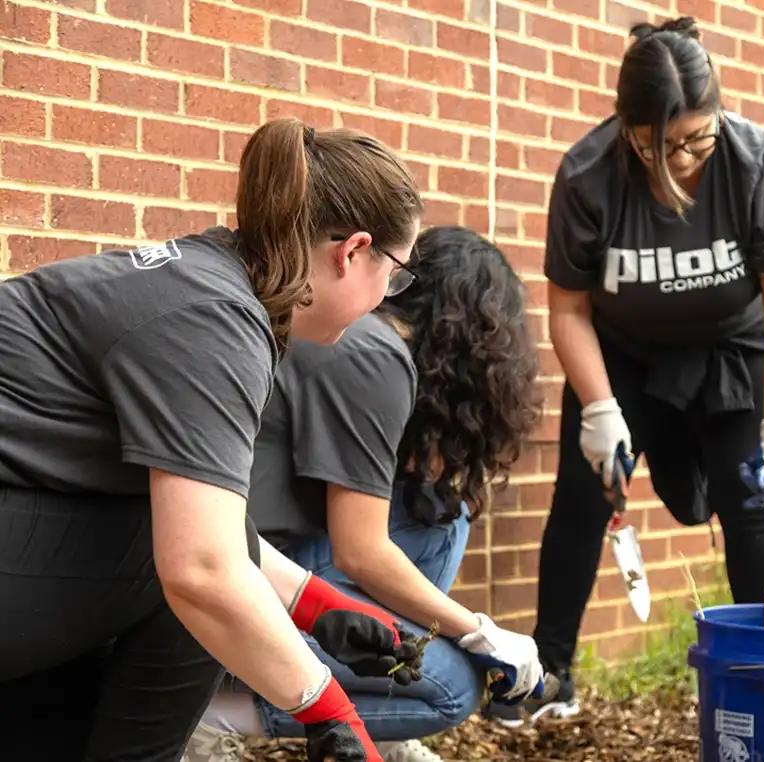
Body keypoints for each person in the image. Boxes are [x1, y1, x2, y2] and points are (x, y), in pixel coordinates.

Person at [0, 119, 427, 761]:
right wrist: (328, 710)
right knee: (201, 586)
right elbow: (203, 568)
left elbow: (199, 528)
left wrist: (314, 605)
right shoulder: (217, 322)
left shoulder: (210, 281)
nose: (388, 294)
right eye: (394, 274)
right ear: (352, 252)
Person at [509, 16, 764, 723]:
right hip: (623, 357)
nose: (684, 158)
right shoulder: (588, 175)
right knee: (582, 502)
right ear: (630, 130)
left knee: (751, 505)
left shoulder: (757, 164)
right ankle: (552, 675)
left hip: (733, 355)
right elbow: (570, 312)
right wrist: (601, 410)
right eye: (664, 144)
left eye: (699, 137)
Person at [186, 227, 545, 762]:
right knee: (452, 687)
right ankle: (212, 716)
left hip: (243, 555)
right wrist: (481, 634)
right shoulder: (371, 354)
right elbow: (361, 551)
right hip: (224, 592)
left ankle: (378, 712)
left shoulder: (352, 336)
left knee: (438, 517)